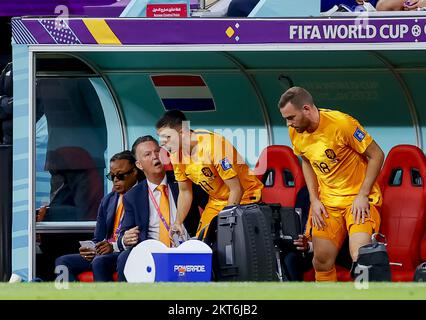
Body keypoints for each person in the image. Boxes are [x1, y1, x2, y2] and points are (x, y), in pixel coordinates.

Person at [278, 87, 384, 282]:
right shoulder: (296, 132)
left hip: (357, 201)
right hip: (328, 204)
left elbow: (377, 155)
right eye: (286, 119)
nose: (289, 123)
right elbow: (307, 161)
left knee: (362, 257)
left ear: (307, 109)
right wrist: (314, 199)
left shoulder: (342, 124)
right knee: (321, 260)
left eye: (291, 117)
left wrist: (362, 195)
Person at [155, 110, 264, 239]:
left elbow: (236, 189)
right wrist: (178, 222)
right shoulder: (175, 154)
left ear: (182, 132)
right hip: (217, 201)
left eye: (167, 137)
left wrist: (225, 221)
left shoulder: (213, 146)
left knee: (226, 239)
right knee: (201, 241)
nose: (162, 143)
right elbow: (185, 192)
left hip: (245, 196)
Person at [116, 135, 208, 281]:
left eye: (157, 151)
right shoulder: (133, 196)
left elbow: (210, 204)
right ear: (139, 165)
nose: (155, 156)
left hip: (186, 246)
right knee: (124, 258)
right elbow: (123, 232)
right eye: (148, 154)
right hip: (152, 252)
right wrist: (125, 238)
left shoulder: (183, 180)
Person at [54, 151, 139, 281]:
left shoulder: (142, 196)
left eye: (120, 176)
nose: (115, 180)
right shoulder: (108, 200)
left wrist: (113, 246)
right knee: (62, 262)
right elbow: (98, 237)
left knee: (100, 261)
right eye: (112, 176)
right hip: (105, 253)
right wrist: (89, 248)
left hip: (124, 252)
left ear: (134, 172)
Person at [36, 78, 107, 221]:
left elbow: (32, 113)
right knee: (89, 215)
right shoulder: (81, 78)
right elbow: (99, 116)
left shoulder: (43, 80)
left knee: (57, 211)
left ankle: (55, 243)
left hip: (57, 157)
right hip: (88, 156)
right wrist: (100, 145)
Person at [0, 61, 12, 144]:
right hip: (7, 137)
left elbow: (24, 103)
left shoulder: (32, 60)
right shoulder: (10, 66)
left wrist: (2, 101)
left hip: (30, 129)